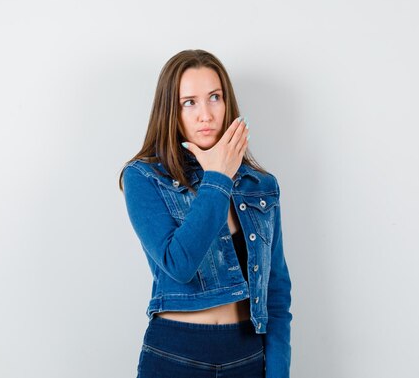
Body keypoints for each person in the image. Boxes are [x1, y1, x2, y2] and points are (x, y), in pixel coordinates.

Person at [118, 49, 292, 378]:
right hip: (175, 355)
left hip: (247, 356)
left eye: (215, 97)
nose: (206, 115)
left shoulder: (261, 185)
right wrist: (218, 179)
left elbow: (276, 291)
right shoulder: (144, 178)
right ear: (171, 110)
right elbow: (180, 264)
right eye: (190, 102)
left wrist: (278, 372)